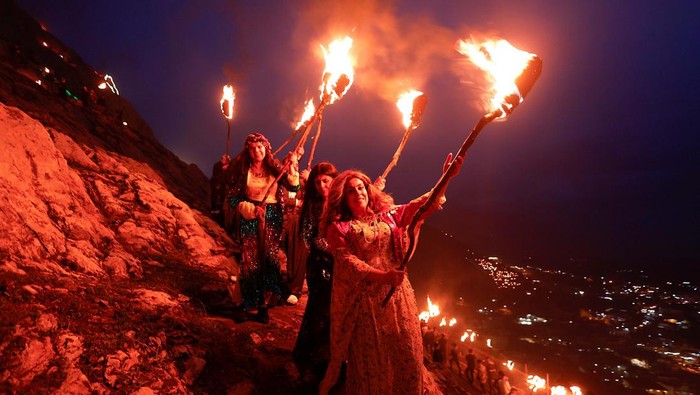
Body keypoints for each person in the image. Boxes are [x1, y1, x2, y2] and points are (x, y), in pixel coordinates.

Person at [318, 153, 463, 395]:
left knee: (408, 356)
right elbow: (346, 263)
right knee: (374, 362)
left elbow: (423, 205)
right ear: (343, 198)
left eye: (361, 187)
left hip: (399, 298)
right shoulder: (339, 228)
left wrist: (447, 177)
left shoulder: (389, 215)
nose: (358, 193)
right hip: (367, 305)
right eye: (351, 191)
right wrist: (382, 276)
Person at [225, 133, 300, 323]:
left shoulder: (275, 168)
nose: (257, 151)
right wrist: (249, 208)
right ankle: (249, 302)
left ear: (266, 149)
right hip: (250, 217)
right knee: (250, 259)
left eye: (260, 147)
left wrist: (292, 166)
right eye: (252, 148)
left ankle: (265, 304)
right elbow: (233, 198)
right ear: (248, 151)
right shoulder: (243, 171)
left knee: (269, 258)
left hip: (272, 216)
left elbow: (294, 189)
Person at [292, 162, 339, 382]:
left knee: (336, 313)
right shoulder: (313, 205)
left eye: (326, 181)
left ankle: (332, 359)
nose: (322, 186)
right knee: (319, 311)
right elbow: (308, 235)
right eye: (318, 182)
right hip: (320, 266)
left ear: (334, 180)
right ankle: (313, 360)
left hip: (341, 267)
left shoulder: (341, 202)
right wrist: (333, 248)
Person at [210, 153, 231, 228]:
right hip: (217, 187)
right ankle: (214, 217)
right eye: (226, 159)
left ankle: (220, 219)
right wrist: (223, 169)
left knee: (222, 203)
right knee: (216, 202)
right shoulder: (217, 165)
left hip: (222, 188)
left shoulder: (226, 167)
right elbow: (217, 176)